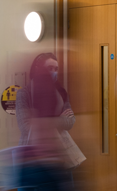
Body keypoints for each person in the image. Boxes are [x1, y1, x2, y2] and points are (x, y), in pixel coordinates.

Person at [15, 53, 84, 191]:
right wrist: (58, 120)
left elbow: (70, 121)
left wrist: (42, 122)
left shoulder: (61, 93)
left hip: (59, 155)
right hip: (31, 158)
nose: (53, 72)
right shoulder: (24, 93)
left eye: (56, 69)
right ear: (38, 69)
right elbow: (25, 126)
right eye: (50, 68)